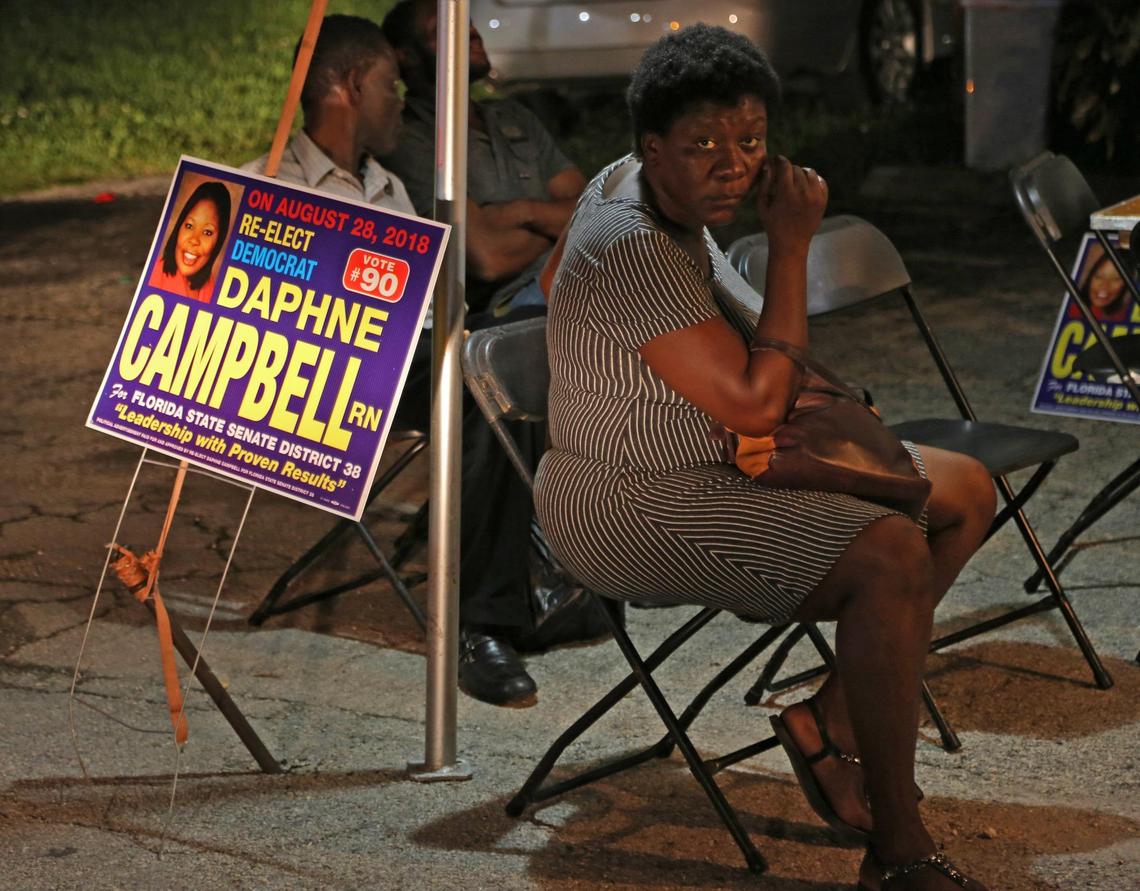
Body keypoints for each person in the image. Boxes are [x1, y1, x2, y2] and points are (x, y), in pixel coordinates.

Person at [534, 24, 996, 890]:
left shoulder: (642, 188)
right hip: (626, 499)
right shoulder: (630, 238)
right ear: (652, 148)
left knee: (966, 489)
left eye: (750, 141)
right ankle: (899, 846)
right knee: (889, 551)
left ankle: (825, 719)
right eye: (704, 144)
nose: (732, 165)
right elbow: (753, 398)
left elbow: (556, 283)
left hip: (718, 459)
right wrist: (789, 244)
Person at [245, 15, 569, 707]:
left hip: (408, 356)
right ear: (350, 86)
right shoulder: (272, 188)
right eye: (391, 86)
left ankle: (552, 572)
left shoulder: (387, 189)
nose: (402, 101)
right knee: (480, 386)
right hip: (326, 381)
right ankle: (479, 625)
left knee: (527, 350)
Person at [379, 0, 587, 314]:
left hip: (573, 273)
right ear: (406, 55)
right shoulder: (410, 138)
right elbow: (488, 259)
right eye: (447, 28)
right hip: (504, 307)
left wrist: (521, 211)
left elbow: (590, 213)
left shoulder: (514, 115)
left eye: (469, 23)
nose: (472, 33)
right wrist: (560, 228)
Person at [150, 181, 232, 302]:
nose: (194, 239)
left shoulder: (210, 289)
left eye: (207, 232)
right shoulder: (153, 274)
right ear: (179, 227)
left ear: (218, 241)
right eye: (189, 226)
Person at [1067, 243, 1133, 322]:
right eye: (1099, 276)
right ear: (1090, 278)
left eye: (1116, 279)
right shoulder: (1072, 311)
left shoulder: (1124, 316)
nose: (1104, 286)